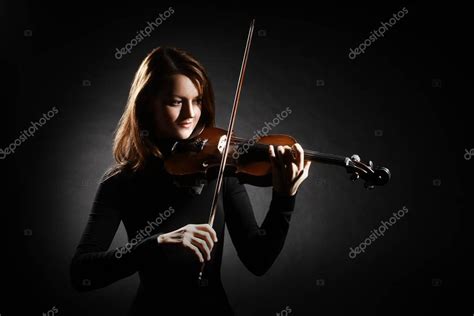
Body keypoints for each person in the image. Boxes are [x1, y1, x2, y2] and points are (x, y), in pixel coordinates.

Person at [70, 47, 311, 315]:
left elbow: (258, 260)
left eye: (197, 101)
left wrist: (284, 198)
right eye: (176, 101)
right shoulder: (121, 181)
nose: (190, 114)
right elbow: (82, 273)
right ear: (147, 103)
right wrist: (157, 244)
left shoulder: (218, 170)